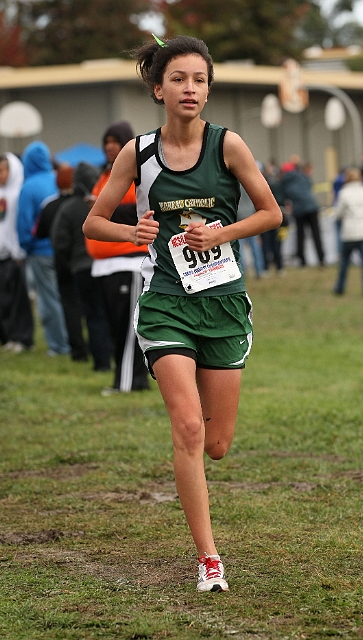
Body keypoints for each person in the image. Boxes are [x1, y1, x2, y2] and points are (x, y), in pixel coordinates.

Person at [83, 34, 282, 592]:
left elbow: (271, 213)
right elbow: (93, 224)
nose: (189, 88)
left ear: (209, 88)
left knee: (217, 445)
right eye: (178, 79)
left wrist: (223, 231)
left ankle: (205, 484)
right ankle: (210, 559)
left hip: (222, 304)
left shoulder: (229, 146)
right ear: (158, 88)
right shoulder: (138, 153)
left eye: (199, 79)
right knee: (189, 427)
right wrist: (132, 230)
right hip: (166, 304)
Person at [85, 121, 149, 394]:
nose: (110, 146)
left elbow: (139, 212)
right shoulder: (104, 176)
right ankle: (131, 380)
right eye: (106, 141)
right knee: (114, 327)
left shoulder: (138, 172)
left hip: (129, 262)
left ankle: (127, 383)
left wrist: (106, 213)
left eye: (115, 141)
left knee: (128, 328)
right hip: (105, 265)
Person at [51, 162, 112, 372]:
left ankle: (99, 362)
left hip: (80, 268)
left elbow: (59, 242)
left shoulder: (67, 208)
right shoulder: (103, 205)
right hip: (105, 265)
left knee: (90, 315)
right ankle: (117, 357)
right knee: (110, 313)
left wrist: (72, 261)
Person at [17, 141, 70, 356]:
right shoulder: (55, 178)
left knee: (49, 300)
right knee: (67, 296)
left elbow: (23, 223)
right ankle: (74, 340)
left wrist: (26, 247)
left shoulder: (28, 186)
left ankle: (59, 345)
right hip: (64, 250)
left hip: (40, 251)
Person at [36, 164, 89, 362]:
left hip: (62, 262)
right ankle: (101, 349)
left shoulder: (50, 205)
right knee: (93, 310)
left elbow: (40, 231)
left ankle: (77, 350)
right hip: (88, 260)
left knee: (70, 307)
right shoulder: (87, 204)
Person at [0, 153, 34, 352]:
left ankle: (22, 338)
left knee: (18, 300)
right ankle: (8, 337)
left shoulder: (18, 194)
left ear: (11, 171)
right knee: (2, 299)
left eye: (1, 171)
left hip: (14, 255)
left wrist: (17, 251)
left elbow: (18, 225)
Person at [333, 167, 363, 297]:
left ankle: (340, 288)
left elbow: (338, 213)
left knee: (345, 262)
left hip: (350, 232)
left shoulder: (344, 193)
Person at [280, 160, 325, 267]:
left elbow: (283, 197)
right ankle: (321, 259)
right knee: (316, 234)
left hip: (299, 210)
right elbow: (310, 185)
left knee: (300, 236)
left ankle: (302, 260)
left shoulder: (284, 183)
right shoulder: (302, 176)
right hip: (312, 207)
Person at [237, 183, 264, 278]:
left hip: (238, 220)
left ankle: (242, 272)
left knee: (239, 249)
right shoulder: (249, 184)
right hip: (251, 218)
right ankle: (259, 271)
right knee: (255, 247)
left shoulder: (233, 184)